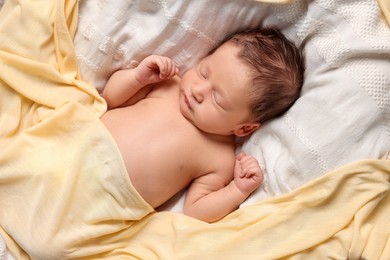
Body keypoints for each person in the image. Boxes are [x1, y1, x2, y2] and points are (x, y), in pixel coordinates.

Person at [101, 27, 305, 223]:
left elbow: (196, 211)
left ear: (244, 128)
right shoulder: (168, 84)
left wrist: (237, 190)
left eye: (217, 99)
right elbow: (111, 99)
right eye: (203, 72)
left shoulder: (220, 158)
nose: (198, 90)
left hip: (109, 201)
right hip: (84, 139)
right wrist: (137, 77)